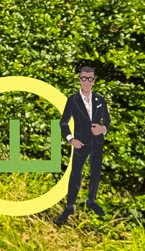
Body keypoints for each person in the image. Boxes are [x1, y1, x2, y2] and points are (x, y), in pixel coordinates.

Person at [58, 62, 111, 224]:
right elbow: (63, 122)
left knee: (95, 172)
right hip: (80, 142)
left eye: (90, 78)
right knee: (76, 174)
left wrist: (102, 129)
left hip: (97, 142)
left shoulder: (99, 99)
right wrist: (71, 139)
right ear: (80, 79)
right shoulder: (72, 100)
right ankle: (69, 206)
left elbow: (107, 121)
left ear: (94, 80)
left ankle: (91, 201)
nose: (87, 81)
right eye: (84, 78)